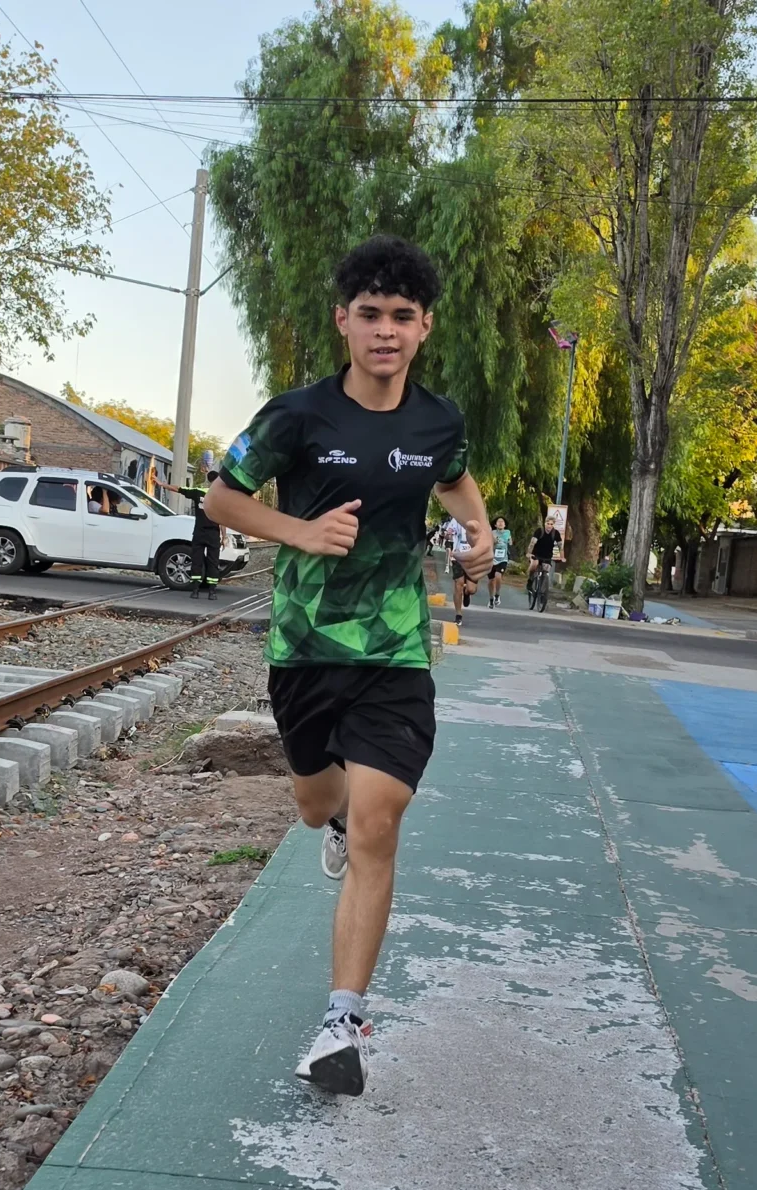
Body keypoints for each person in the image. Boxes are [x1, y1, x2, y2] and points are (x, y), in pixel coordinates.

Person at [203, 234, 491, 1096]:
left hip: (396, 652)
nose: (385, 330)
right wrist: (301, 531)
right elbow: (220, 497)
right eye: (370, 314)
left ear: (425, 325)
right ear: (343, 321)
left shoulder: (438, 422)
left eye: (402, 315)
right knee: (316, 805)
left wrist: (480, 534)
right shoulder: (297, 416)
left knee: (378, 821)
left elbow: (456, 481)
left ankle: (341, 1023)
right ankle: (329, 818)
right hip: (304, 650)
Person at [487, 517, 512, 607]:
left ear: (505, 525)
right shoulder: (492, 533)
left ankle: (497, 595)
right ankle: (491, 598)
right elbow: (488, 545)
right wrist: (494, 542)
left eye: (502, 522)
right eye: (498, 522)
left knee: (498, 576)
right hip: (492, 559)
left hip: (503, 559)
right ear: (495, 524)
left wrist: (509, 541)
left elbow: (510, 543)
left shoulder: (507, 532)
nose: (500, 523)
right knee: (491, 580)